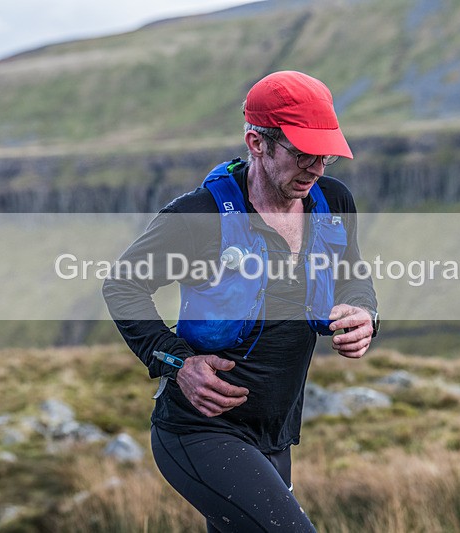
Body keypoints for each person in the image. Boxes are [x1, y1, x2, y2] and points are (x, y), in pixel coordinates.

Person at [103, 70, 378, 532]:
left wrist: (365, 312)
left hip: (275, 435)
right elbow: (123, 285)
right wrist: (177, 361)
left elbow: (352, 272)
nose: (316, 168)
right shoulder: (198, 217)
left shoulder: (332, 201)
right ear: (257, 143)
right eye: (302, 153)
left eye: (326, 154)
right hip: (200, 431)